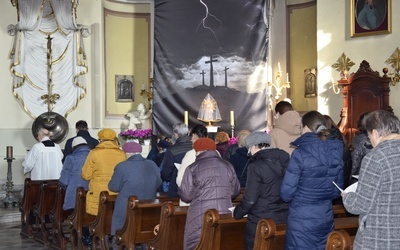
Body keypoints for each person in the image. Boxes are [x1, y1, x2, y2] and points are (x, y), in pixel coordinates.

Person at [280, 110, 344, 249]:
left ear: (307, 128)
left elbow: (286, 194)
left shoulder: (300, 153)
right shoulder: (335, 151)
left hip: (301, 217)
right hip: (325, 215)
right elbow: (336, 191)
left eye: (301, 127)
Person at [343, 110, 400, 250]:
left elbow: (361, 205)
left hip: (378, 236)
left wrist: (347, 197)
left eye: (369, 137)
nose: (371, 142)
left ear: (375, 133)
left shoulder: (375, 158)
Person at [178, 138, 240, 250]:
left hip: (200, 216)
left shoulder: (192, 168)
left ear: (198, 151)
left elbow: (186, 196)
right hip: (224, 213)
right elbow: (235, 191)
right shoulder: (227, 165)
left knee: (197, 245)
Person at [234, 131, 289, 250]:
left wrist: (237, 213)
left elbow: (250, 199)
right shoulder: (285, 160)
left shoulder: (256, 166)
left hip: (261, 219)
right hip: (283, 215)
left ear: (254, 146)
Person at [108, 141, 161, 248]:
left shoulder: (122, 166)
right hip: (147, 208)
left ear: (127, 153)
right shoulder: (152, 164)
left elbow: (113, 187)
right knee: (145, 237)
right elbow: (158, 183)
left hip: (126, 210)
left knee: (120, 236)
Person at [81, 128, 126, 216]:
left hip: (98, 193)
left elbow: (86, 175)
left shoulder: (94, 153)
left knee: (97, 219)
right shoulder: (121, 154)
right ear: (114, 139)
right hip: (115, 192)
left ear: (100, 140)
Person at [176, 124, 208, 206]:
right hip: (209, 197)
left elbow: (181, 179)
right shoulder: (216, 153)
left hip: (193, 200)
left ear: (193, 136)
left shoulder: (191, 154)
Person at [160, 123, 192, 198]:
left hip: (176, 189)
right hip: (194, 187)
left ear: (175, 134)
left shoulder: (172, 150)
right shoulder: (195, 147)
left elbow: (165, 174)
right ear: (188, 133)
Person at [59, 136, 90, 211]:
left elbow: (64, 181)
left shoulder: (70, 158)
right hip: (90, 196)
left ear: (73, 147)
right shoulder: (93, 156)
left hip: (74, 197)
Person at [351, 112, 372, 178]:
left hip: (361, 176)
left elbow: (355, 163)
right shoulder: (381, 137)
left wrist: (351, 179)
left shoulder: (359, 140)